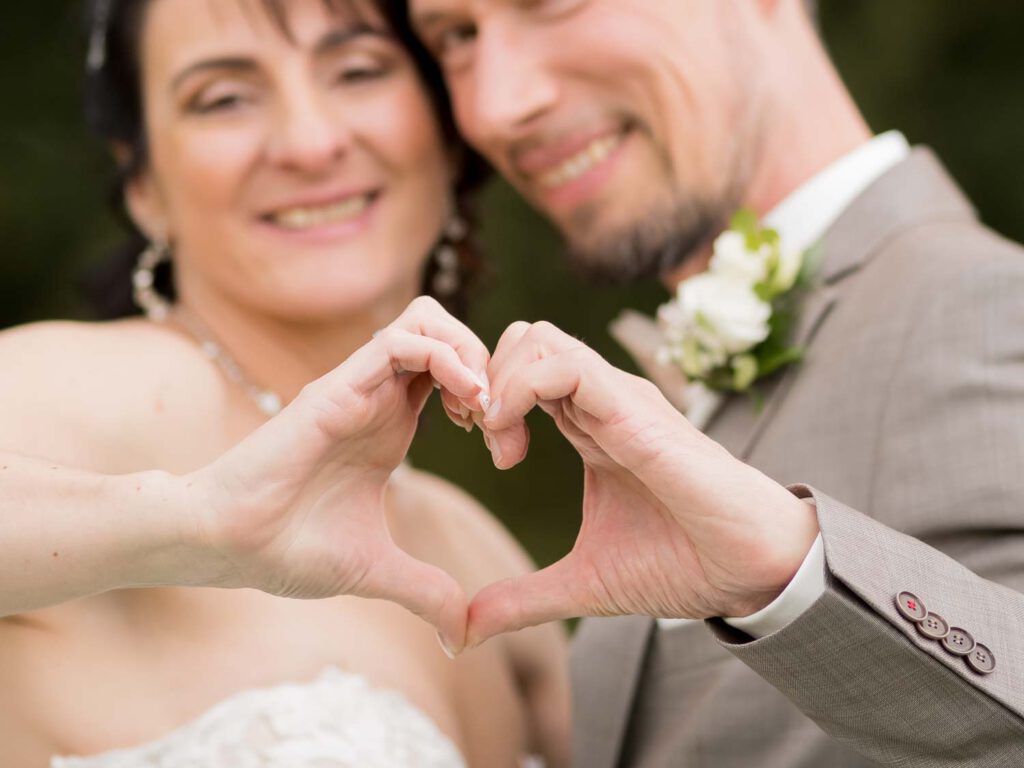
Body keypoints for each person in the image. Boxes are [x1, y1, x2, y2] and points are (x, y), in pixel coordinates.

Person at [402, 0, 1024, 765]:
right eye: (455, 37)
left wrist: (793, 574)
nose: (496, 106)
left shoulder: (991, 309)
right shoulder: (666, 390)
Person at [0, 0, 569, 765]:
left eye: (359, 71)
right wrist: (198, 522)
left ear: (444, 130)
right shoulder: (85, 390)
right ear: (144, 187)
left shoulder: (474, 545)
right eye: (224, 98)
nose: (310, 141)